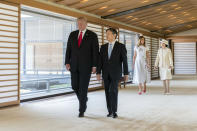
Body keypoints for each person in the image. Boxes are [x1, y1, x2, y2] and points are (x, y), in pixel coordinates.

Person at [65, 16, 99, 117]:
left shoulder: (93, 35)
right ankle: (83, 99)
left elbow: (95, 52)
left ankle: (81, 110)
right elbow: (68, 49)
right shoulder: (72, 34)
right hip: (74, 65)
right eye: (78, 23)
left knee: (83, 88)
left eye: (81, 23)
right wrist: (67, 62)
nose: (79, 25)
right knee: (74, 86)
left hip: (86, 66)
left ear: (86, 24)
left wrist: (94, 65)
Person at [96, 28, 129, 118]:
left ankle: (114, 111)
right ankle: (109, 111)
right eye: (106, 34)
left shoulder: (121, 46)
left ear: (114, 35)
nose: (107, 35)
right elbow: (100, 61)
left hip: (116, 73)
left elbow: (125, 61)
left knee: (113, 91)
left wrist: (126, 73)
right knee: (107, 91)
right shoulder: (103, 47)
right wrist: (98, 73)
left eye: (109, 34)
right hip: (105, 73)